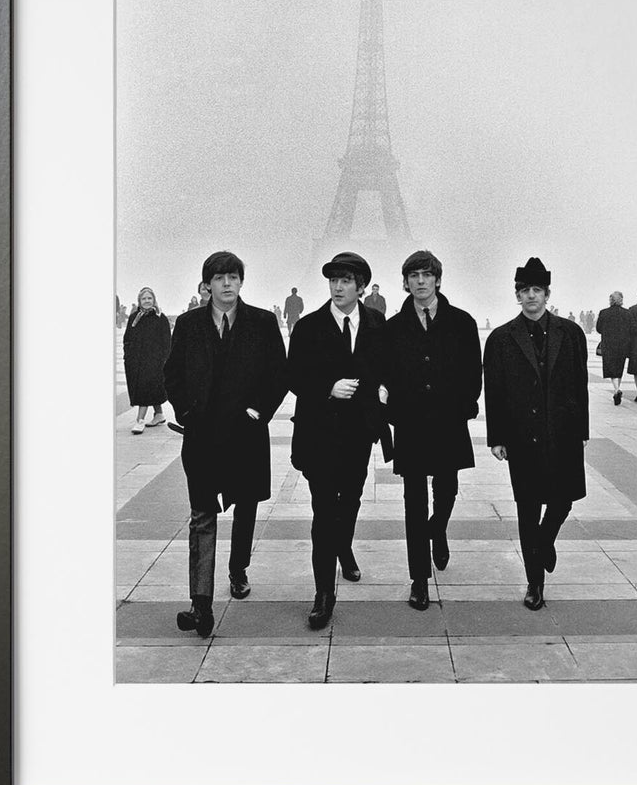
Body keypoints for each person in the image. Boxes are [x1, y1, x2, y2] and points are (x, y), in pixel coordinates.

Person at [163, 251, 287, 638]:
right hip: (202, 436)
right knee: (202, 516)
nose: (227, 283)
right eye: (219, 278)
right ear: (207, 285)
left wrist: (258, 411)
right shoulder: (188, 324)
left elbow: (278, 374)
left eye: (233, 276)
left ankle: (238, 568)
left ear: (241, 282)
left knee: (245, 507)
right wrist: (186, 412)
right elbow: (172, 373)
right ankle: (201, 604)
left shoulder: (262, 322)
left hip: (245, 434)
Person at [287, 252, 388, 630]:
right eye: (334, 280)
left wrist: (384, 390)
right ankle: (323, 594)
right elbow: (293, 375)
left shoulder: (377, 323)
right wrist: (326, 388)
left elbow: (387, 366)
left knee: (352, 499)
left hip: (359, 433)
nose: (338, 287)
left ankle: (343, 546)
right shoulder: (308, 326)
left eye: (346, 281)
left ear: (361, 287)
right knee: (324, 510)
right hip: (319, 433)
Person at [483, 257, 589, 610]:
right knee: (527, 508)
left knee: (563, 500)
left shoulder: (571, 333)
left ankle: (544, 542)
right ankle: (534, 583)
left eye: (537, 290)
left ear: (547, 294)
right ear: (517, 295)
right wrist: (497, 437)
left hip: (563, 431)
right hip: (522, 434)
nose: (531, 296)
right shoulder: (500, 338)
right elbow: (494, 391)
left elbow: (580, 384)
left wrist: (582, 429)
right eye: (525, 290)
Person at [382, 249, 481, 611]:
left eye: (426, 274)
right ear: (405, 282)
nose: (420, 281)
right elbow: (386, 373)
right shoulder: (393, 327)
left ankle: (437, 528)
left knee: (447, 488)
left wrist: (465, 405)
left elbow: (473, 370)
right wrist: (393, 410)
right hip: (411, 422)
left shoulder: (462, 322)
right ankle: (419, 579)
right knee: (413, 500)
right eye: (414, 275)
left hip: (448, 419)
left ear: (437, 279)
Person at [122, 288, 172, 433]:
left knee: (144, 388)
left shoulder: (160, 318)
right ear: (139, 301)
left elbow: (167, 342)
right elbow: (127, 338)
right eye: (144, 298)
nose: (147, 301)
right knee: (150, 389)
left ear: (154, 300)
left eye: (149, 298)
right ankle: (159, 414)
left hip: (154, 361)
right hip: (136, 360)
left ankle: (140, 420)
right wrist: (128, 354)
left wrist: (164, 360)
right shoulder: (134, 318)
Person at [595, 290, 631, 405]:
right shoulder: (627, 313)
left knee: (611, 368)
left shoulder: (604, 313)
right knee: (619, 367)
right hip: (622, 344)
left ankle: (616, 389)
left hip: (608, 344)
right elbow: (632, 329)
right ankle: (617, 389)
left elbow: (599, 329)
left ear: (610, 300)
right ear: (621, 300)